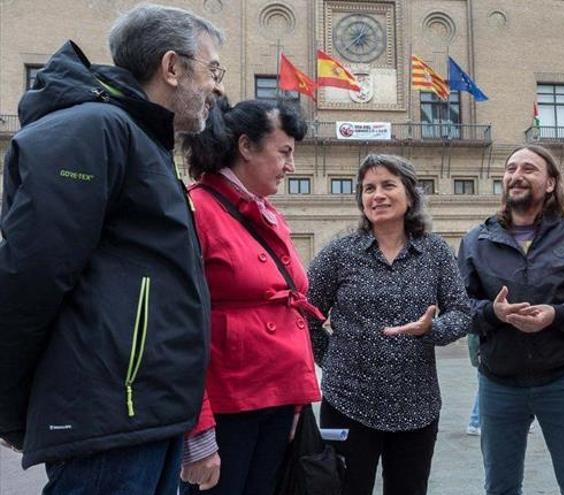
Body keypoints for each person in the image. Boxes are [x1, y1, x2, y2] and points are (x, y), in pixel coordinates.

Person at [0, 4, 223, 494]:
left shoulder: (140, 140)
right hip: (109, 419)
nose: (217, 86)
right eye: (212, 69)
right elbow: (31, 274)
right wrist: (13, 406)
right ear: (171, 67)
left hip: (139, 415)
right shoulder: (93, 130)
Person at [175, 97, 321, 494]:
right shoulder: (196, 209)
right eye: (284, 152)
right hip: (227, 408)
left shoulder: (270, 212)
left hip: (275, 400)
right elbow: (179, 326)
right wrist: (198, 428)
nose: (291, 166)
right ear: (245, 146)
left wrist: (293, 400)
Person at [306, 154, 472, 495]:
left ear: (410, 195)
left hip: (417, 405)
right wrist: (334, 358)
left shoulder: (435, 252)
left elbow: (462, 312)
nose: (376, 195)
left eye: (387, 185)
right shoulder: (340, 252)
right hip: (349, 402)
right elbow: (304, 311)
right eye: (368, 188)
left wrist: (432, 329)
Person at [458, 144, 564, 495]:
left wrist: (556, 315)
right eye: (511, 168)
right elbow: (459, 308)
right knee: (500, 487)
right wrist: (492, 313)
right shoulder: (476, 241)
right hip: (498, 384)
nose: (516, 175)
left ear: (550, 184)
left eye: (528, 169)